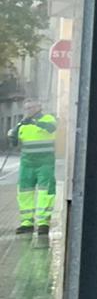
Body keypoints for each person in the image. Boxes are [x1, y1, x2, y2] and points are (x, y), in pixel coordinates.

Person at [11, 100, 57, 236]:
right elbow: (14, 141)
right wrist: (14, 133)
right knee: (24, 192)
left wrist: (34, 122)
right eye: (26, 108)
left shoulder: (48, 119)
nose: (28, 110)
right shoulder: (22, 124)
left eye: (31, 107)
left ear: (39, 107)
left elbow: (51, 128)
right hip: (27, 163)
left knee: (45, 191)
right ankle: (27, 223)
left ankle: (43, 223)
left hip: (45, 163)